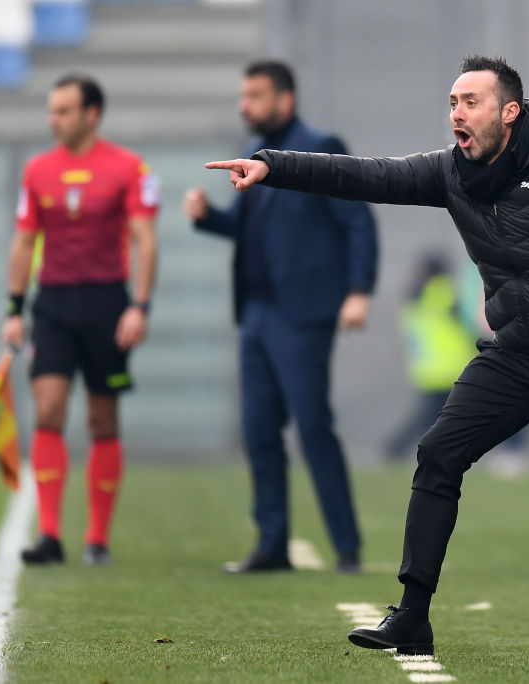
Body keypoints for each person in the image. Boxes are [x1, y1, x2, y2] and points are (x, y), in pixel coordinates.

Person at [205, 55, 529, 662]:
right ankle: (411, 618)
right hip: (518, 353)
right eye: (452, 103)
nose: (457, 114)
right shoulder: (450, 173)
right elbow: (368, 176)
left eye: (470, 102)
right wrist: (273, 166)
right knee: (438, 452)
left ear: (509, 112)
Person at [183, 61, 378, 574]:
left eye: (255, 95)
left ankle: (346, 547)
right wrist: (209, 219)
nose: (244, 105)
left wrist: (359, 290)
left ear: (285, 100)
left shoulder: (321, 145)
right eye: (243, 95)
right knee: (259, 430)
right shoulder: (253, 152)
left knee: (313, 427)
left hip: (303, 313)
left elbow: (357, 220)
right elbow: (250, 229)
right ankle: (272, 545)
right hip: (256, 313)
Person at [2, 74, 159, 566]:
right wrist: (14, 310)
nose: (54, 120)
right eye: (52, 110)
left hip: (106, 304)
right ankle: (49, 535)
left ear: (92, 114)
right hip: (53, 304)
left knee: (101, 418)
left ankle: (97, 538)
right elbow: (24, 242)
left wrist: (139, 306)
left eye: (64, 110)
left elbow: (145, 239)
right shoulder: (37, 170)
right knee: (48, 408)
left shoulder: (129, 167)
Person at [383, 253, 474, 461]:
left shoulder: (412, 299)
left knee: (432, 417)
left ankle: (402, 449)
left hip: (426, 369)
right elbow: (469, 325)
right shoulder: (445, 293)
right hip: (453, 367)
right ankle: (397, 448)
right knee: (439, 417)